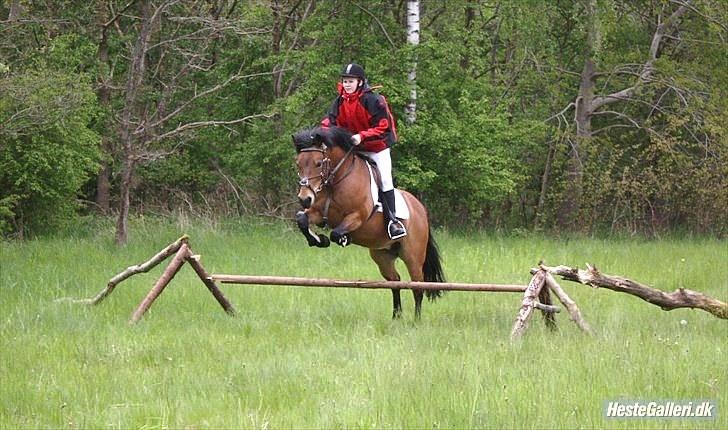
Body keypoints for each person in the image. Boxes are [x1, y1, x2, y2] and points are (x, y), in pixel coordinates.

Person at [321, 63, 407, 240]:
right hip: (354, 149)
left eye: (350, 81)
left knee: (384, 179)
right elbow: (329, 122)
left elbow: (384, 126)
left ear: (360, 82)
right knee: (329, 170)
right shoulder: (339, 101)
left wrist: (361, 136)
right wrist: (319, 134)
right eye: (345, 81)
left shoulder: (374, 100)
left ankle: (392, 222)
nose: (347, 84)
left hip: (377, 148)